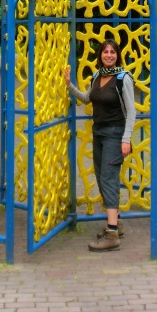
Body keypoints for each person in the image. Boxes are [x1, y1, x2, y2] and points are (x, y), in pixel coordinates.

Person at [63, 39, 135, 252]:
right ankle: (116, 224)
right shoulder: (97, 76)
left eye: (113, 52)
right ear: (100, 55)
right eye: (105, 51)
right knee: (102, 176)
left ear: (117, 55)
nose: (109, 55)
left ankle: (112, 235)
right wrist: (69, 85)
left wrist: (126, 139)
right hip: (99, 134)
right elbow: (87, 99)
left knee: (108, 179)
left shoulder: (123, 78)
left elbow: (131, 111)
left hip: (115, 134)